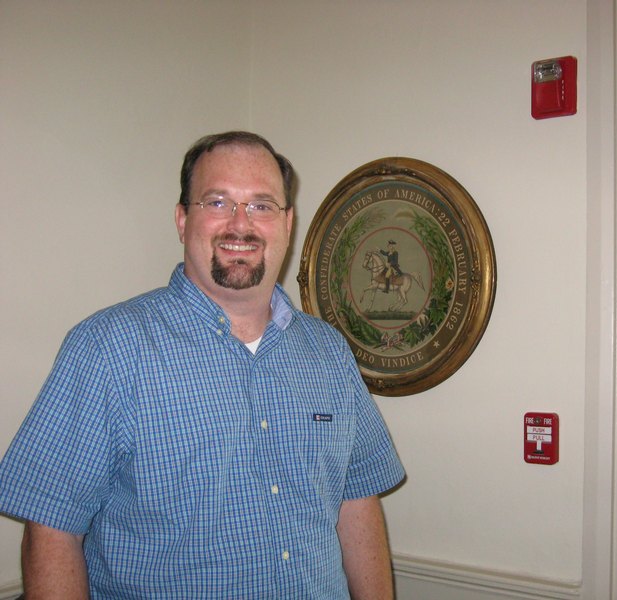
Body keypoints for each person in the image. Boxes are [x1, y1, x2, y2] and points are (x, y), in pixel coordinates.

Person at [0, 131, 405, 599]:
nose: (240, 224)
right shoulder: (107, 348)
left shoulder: (329, 352)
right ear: (181, 219)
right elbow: (52, 528)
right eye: (217, 202)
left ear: (287, 223)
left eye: (261, 205)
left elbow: (357, 501)